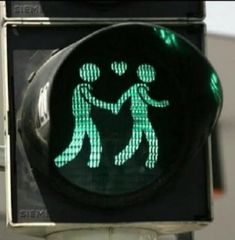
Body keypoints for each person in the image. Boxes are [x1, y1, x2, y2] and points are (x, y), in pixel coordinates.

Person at [54, 63, 115, 168]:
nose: (95, 76)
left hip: (83, 118)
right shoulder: (82, 88)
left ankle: (93, 163)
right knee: (79, 144)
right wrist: (110, 106)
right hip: (83, 119)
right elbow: (93, 101)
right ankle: (60, 161)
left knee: (91, 140)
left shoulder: (81, 88)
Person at [114, 64, 169, 169]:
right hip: (141, 118)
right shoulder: (140, 88)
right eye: (151, 74)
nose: (152, 76)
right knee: (151, 139)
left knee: (137, 141)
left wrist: (118, 105)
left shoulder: (136, 87)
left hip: (139, 118)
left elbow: (124, 96)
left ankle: (120, 159)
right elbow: (148, 100)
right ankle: (150, 161)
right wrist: (161, 104)